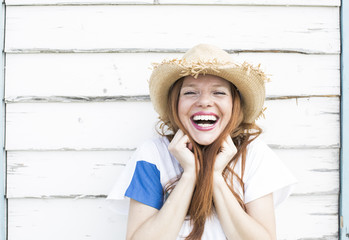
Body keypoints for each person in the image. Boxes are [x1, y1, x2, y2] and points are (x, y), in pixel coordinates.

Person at [107, 44, 297, 240]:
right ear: (176, 103)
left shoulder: (255, 154)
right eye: (190, 92)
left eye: (219, 92)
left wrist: (214, 175)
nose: (204, 101)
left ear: (234, 103)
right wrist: (190, 174)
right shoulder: (152, 154)